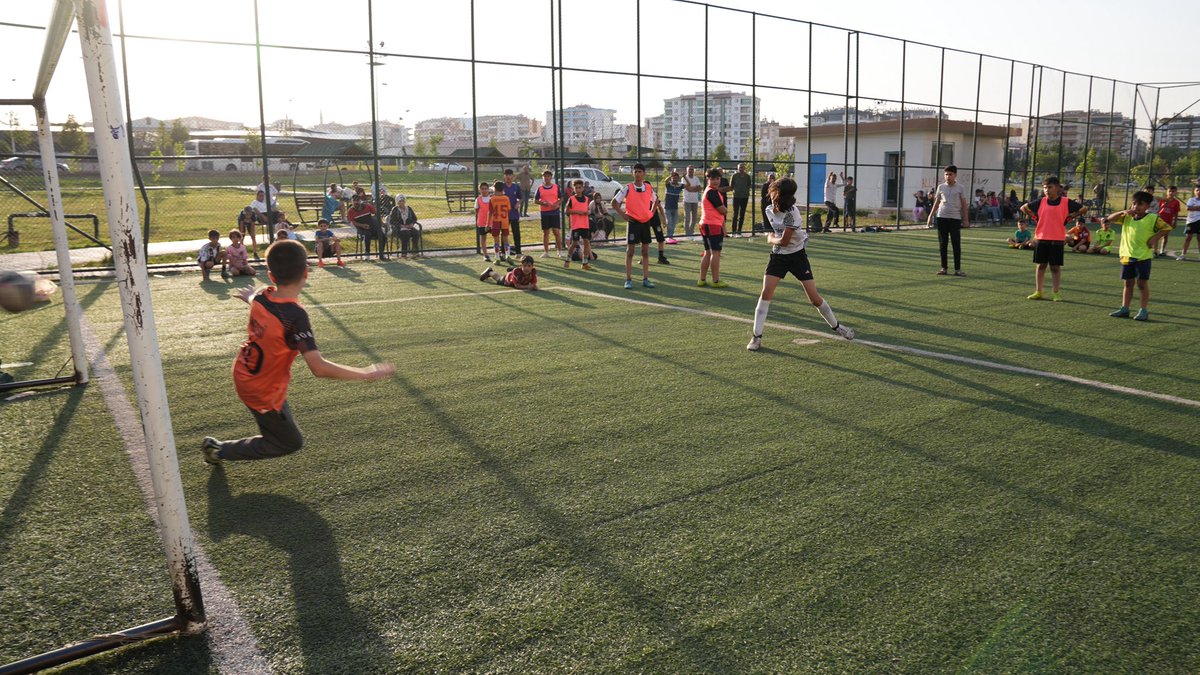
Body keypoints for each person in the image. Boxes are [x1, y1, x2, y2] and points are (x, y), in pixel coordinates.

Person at [201, 240, 395, 465]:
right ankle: (219, 450)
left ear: (271, 276)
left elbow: (256, 298)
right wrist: (366, 373)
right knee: (288, 442)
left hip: (245, 371)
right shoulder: (295, 316)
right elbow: (318, 368)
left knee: (279, 421)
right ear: (306, 272)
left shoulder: (264, 295)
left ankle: (231, 443)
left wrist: (249, 297)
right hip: (261, 388)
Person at [746, 176, 854, 351]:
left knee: (814, 298)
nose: (772, 193)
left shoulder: (792, 213)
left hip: (797, 256)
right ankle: (756, 337)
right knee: (766, 293)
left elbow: (784, 241)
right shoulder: (768, 209)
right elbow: (780, 243)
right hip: (779, 257)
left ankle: (837, 326)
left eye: (776, 191)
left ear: (782, 195)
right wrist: (774, 239)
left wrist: (770, 238)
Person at [1104, 191, 1173, 321]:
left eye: (1140, 204)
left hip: (1143, 256)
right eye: (1134, 203)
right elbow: (1109, 218)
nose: (1136, 207)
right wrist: (1122, 212)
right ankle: (1125, 308)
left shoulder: (1152, 218)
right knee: (1128, 283)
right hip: (1127, 255)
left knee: (1142, 284)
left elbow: (1167, 228)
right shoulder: (1126, 217)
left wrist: (1154, 238)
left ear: (1147, 206)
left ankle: (1143, 310)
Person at [1020, 176, 1086, 301]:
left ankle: (1056, 293)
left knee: (1055, 267)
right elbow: (1024, 208)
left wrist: (1071, 216)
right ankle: (1038, 291)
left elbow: (1083, 209)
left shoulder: (1066, 202)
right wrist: (1035, 217)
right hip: (1041, 238)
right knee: (1041, 266)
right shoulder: (1041, 201)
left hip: (1057, 239)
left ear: (1057, 188)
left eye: (1049, 187)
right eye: (1045, 187)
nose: (1047, 190)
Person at [612, 163, 657, 289]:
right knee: (630, 251)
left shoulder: (648, 187)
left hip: (645, 223)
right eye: (635, 171)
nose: (637, 174)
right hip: (633, 223)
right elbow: (614, 202)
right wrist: (623, 215)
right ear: (633, 173)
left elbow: (656, 200)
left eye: (639, 171)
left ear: (644, 174)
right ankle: (628, 279)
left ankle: (646, 279)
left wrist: (651, 213)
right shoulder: (627, 188)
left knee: (645, 252)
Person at [927, 164, 970, 276]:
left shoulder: (961, 188)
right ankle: (944, 268)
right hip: (942, 217)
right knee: (943, 243)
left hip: (955, 218)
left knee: (956, 244)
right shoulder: (941, 187)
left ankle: (957, 269)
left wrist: (965, 219)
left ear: (955, 175)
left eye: (950, 174)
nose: (948, 176)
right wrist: (930, 216)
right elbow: (936, 202)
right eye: (946, 174)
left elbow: (964, 204)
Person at [698, 167, 728, 288]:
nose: (715, 181)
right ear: (707, 179)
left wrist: (724, 226)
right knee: (715, 253)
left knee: (707, 252)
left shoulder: (710, 191)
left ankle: (702, 279)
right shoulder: (712, 192)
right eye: (713, 179)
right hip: (712, 225)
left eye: (717, 178)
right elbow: (722, 210)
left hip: (706, 224)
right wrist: (726, 210)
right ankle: (715, 281)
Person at [533, 169, 564, 258]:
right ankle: (546, 252)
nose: (546, 178)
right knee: (546, 233)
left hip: (554, 212)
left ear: (551, 177)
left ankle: (560, 251)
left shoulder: (556, 187)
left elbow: (561, 198)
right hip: (545, 213)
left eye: (548, 176)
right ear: (543, 177)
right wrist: (544, 203)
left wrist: (556, 204)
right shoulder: (540, 188)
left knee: (556, 232)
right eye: (545, 176)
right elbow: (535, 200)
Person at [563, 179, 593, 270]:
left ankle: (585, 263)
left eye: (579, 187)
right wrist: (577, 212)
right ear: (573, 189)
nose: (578, 189)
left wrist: (588, 212)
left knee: (586, 242)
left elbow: (588, 209)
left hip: (585, 224)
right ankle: (568, 260)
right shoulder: (571, 199)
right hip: (576, 225)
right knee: (575, 242)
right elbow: (566, 211)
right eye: (576, 188)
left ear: (583, 188)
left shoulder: (587, 199)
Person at [346, 193, 385, 260]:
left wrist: (381, 223)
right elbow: (353, 222)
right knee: (367, 235)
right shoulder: (350, 211)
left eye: (357, 200)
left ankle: (381, 253)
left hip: (372, 226)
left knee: (383, 236)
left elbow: (376, 213)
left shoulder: (368, 206)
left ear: (360, 200)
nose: (356, 202)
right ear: (351, 202)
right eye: (354, 200)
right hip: (361, 229)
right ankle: (367, 254)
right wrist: (362, 225)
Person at [1155, 185, 1183, 257]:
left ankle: (1162, 250)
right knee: (1156, 235)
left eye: (1173, 191)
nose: (1171, 193)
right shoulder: (1162, 200)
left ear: (1176, 193)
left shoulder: (1176, 202)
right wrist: (1163, 205)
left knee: (1165, 236)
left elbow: (1176, 213)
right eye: (1169, 191)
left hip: (1168, 221)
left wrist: (1175, 221)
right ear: (1167, 192)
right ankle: (1155, 251)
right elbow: (1157, 209)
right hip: (1159, 219)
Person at [489, 180, 512, 261]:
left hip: (496, 220)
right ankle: (507, 255)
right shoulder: (506, 198)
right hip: (505, 220)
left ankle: (497, 257)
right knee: (505, 238)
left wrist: (488, 223)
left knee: (496, 239)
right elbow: (508, 209)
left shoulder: (492, 199)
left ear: (495, 189)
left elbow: (491, 212)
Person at [728, 163, 752, 237]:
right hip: (736, 197)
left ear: (744, 168)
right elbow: (731, 186)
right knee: (735, 214)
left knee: (742, 214)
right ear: (737, 168)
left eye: (742, 167)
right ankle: (733, 231)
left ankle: (739, 231)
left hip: (744, 197)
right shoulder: (734, 176)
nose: (741, 169)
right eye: (739, 168)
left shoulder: (748, 177)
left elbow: (749, 185)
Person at [1177, 184, 1200, 260]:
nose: (1199, 192)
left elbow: (1191, 208)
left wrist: (1193, 208)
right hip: (1190, 221)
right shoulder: (1191, 199)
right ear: (1194, 191)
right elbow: (1188, 208)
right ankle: (1183, 254)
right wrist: (1197, 208)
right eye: (1197, 190)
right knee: (1188, 237)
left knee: (1199, 238)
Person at [503, 168, 523, 255]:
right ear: (504, 177)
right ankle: (503, 252)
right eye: (506, 175)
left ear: (513, 177)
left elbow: (521, 197)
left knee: (516, 233)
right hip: (504, 214)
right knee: (504, 234)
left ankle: (518, 252)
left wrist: (518, 202)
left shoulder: (516, 186)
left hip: (514, 214)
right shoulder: (501, 186)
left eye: (510, 175)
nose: (508, 177)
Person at [681, 165, 703, 237]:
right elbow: (688, 189)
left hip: (695, 201)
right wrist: (694, 188)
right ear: (687, 170)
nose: (691, 171)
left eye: (692, 169)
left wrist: (692, 188)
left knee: (694, 218)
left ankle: (691, 232)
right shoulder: (684, 178)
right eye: (689, 169)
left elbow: (700, 188)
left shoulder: (696, 178)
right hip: (687, 200)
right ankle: (687, 233)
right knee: (687, 218)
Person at [474, 182, 493, 262]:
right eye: (482, 189)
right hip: (482, 222)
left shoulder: (492, 199)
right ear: (479, 190)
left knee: (496, 238)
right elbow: (476, 210)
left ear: (488, 190)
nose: (484, 190)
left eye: (486, 188)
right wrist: (477, 221)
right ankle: (486, 255)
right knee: (483, 239)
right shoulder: (478, 199)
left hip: (492, 222)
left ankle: (498, 254)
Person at [663, 170, 683, 243]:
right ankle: (668, 237)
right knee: (669, 222)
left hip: (675, 207)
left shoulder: (679, 186)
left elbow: (688, 185)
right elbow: (665, 181)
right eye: (673, 178)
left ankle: (670, 236)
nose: (675, 179)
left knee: (674, 222)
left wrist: (684, 177)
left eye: (676, 178)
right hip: (668, 207)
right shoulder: (669, 185)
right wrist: (670, 175)